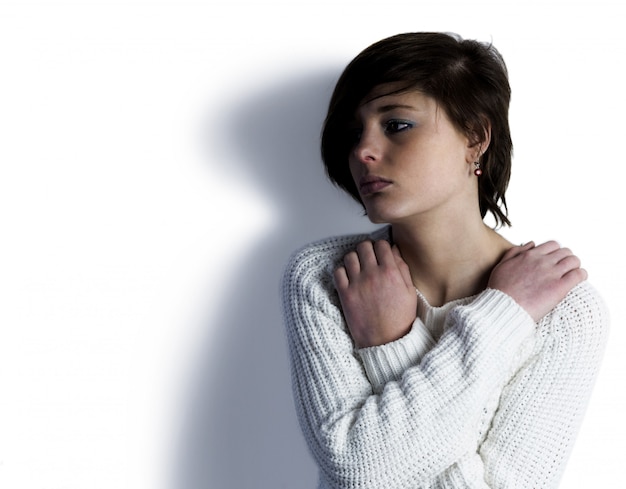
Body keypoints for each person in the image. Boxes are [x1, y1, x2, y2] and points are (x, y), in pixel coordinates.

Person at [281, 32, 608, 488]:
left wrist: (390, 343)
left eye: (396, 125)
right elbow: (353, 468)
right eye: (354, 133)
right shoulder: (324, 276)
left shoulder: (565, 311)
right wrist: (502, 317)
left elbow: (369, 466)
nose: (362, 152)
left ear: (474, 138)